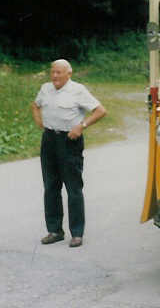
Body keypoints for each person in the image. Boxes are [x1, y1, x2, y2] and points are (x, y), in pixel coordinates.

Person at [31, 59, 107, 247]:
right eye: (53, 72)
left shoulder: (78, 90)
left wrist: (81, 126)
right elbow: (35, 105)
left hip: (69, 141)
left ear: (68, 74)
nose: (55, 76)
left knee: (73, 188)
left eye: (59, 72)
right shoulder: (46, 88)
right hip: (49, 140)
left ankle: (77, 233)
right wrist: (39, 121)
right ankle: (55, 230)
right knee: (50, 187)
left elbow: (100, 111)